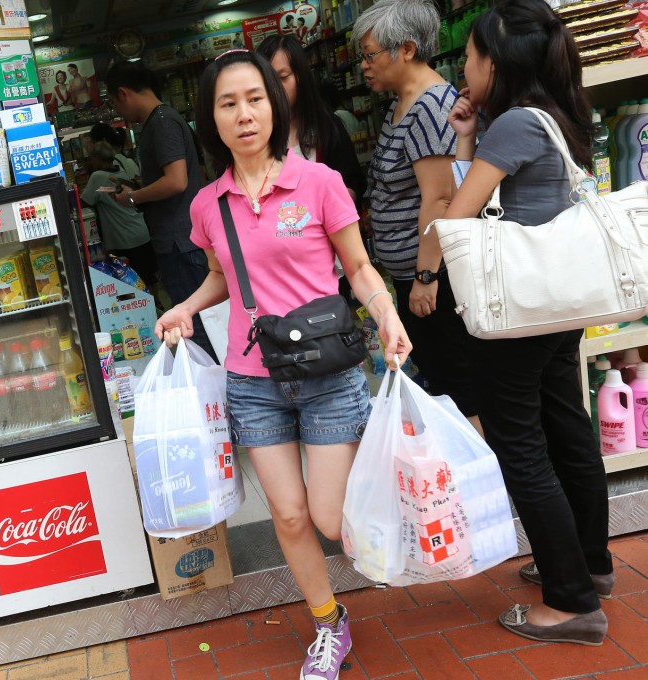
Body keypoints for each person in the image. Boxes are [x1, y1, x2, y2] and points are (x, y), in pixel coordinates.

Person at [156, 49, 412, 680]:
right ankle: (329, 623)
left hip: (328, 376)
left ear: (275, 105)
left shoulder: (320, 183)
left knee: (328, 516)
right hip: (252, 381)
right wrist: (183, 308)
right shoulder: (207, 205)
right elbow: (222, 278)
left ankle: (399, 511)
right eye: (228, 103)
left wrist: (385, 314)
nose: (244, 115)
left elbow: (357, 267)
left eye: (255, 99)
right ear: (210, 120)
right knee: (290, 516)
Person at [444, 0, 611, 645]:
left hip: (516, 310)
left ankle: (568, 603)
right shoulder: (565, 115)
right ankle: (588, 568)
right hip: (559, 302)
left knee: (521, 447)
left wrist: (427, 277)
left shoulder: (513, 124)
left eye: (469, 55)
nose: (464, 66)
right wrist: (468, 133)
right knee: (568, 429)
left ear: (496, 61)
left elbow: (460, 214)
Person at [352, 0, 480, 428]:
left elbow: (440, 200)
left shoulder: (430, 108)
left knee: (459, 385)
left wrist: (427, 277)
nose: (364, 67)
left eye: (370, 55)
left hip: (433, 280)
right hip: (413, 276)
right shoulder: (401, 104)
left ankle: (480, 479)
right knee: (442, 380)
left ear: (406, 49)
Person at [105, 60, 218, 360]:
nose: (117, 112)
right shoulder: (162, 121)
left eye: (114, 103)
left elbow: (177, 181)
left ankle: (214, 394)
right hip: (180, 240)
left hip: (181, 242)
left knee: (196, 325)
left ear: (123, 93)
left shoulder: (162, 122)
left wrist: (134, 197)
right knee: (198, 322)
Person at [257, 34, 366, 205]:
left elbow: (353, 183)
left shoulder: (327, 126)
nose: (274, 88)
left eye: (283, 78)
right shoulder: (253, 135)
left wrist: (326, 206)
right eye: (266, 80)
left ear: (300, 77)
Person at [81, 141, 159, 289]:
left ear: (97, 158)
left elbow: (84, 201)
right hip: (141, 233)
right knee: (148, 278)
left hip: (124, 239)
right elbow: (103, 192)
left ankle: (145, 310)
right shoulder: (121, 172)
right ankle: (156, 307)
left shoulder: (97, 177)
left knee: (129, 284)